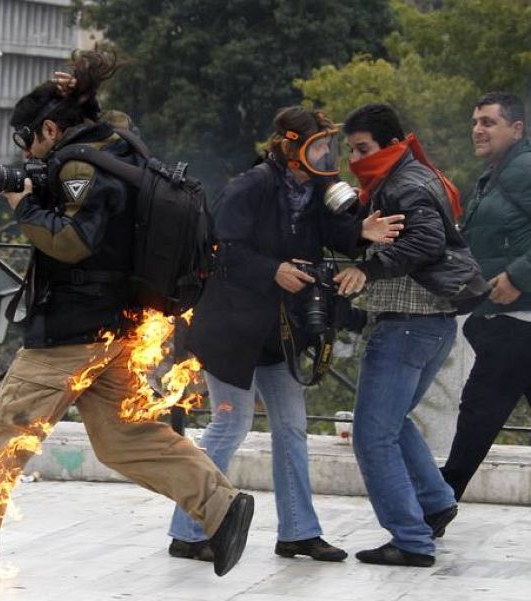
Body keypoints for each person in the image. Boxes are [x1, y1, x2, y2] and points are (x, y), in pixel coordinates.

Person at [0, 50, 254, 582]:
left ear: (49, 128)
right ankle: (220, 506)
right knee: (123, 436)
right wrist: (76, 96)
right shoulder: (119, 144)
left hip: (72, 332)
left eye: (29, 141)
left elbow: (73, 241)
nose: (28, 154)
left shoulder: (79, 166)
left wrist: (24, 203)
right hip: (121, 327)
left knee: (6, 427)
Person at [166, 106, 405, 564]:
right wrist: (272, 269)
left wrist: (364, 232)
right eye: (317, 144)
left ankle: (298, 532)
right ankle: (187, 529)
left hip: (281, 332)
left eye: (326, 144)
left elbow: (340, 233)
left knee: (292, 427)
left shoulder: (318, 189)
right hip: (231, 331)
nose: (326, 153)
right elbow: (222, 249)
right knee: (230, 424)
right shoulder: (251, 185)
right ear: (290, 146)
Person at [335, 103, 460, 567]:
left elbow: (426, 243)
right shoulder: (413, 176)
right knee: (394, 421)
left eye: (363, 149)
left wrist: (367, 271)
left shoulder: (406, 183)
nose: (356, 159)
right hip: (430, 325)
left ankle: (410, 539)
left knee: (371, 436)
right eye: (351, 150)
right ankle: (434, 502)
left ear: (391, 145)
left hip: (406, 324)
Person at [441, 92, 531, 501]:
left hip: (516, 317)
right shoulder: (495, 176)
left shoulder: (525, 169)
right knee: (478, 413)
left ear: (516, 129)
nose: (478, 129)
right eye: (476, 121)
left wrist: (517, 274)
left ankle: (435, 509)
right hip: (504, 318)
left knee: (478, 412)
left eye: (489, 122)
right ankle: (436, 506)